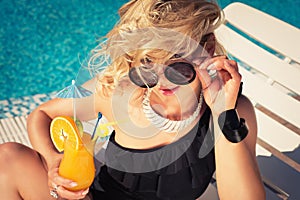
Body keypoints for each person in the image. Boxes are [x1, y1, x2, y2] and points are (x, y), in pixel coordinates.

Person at [0, 0, 266, 199]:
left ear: (206, 49)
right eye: (147, 64)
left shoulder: (231, 112)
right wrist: (52, 160)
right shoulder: (121, 93)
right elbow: (42, 115)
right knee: (8, 158)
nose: (161, 81)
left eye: (177, 66)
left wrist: (222, 112)